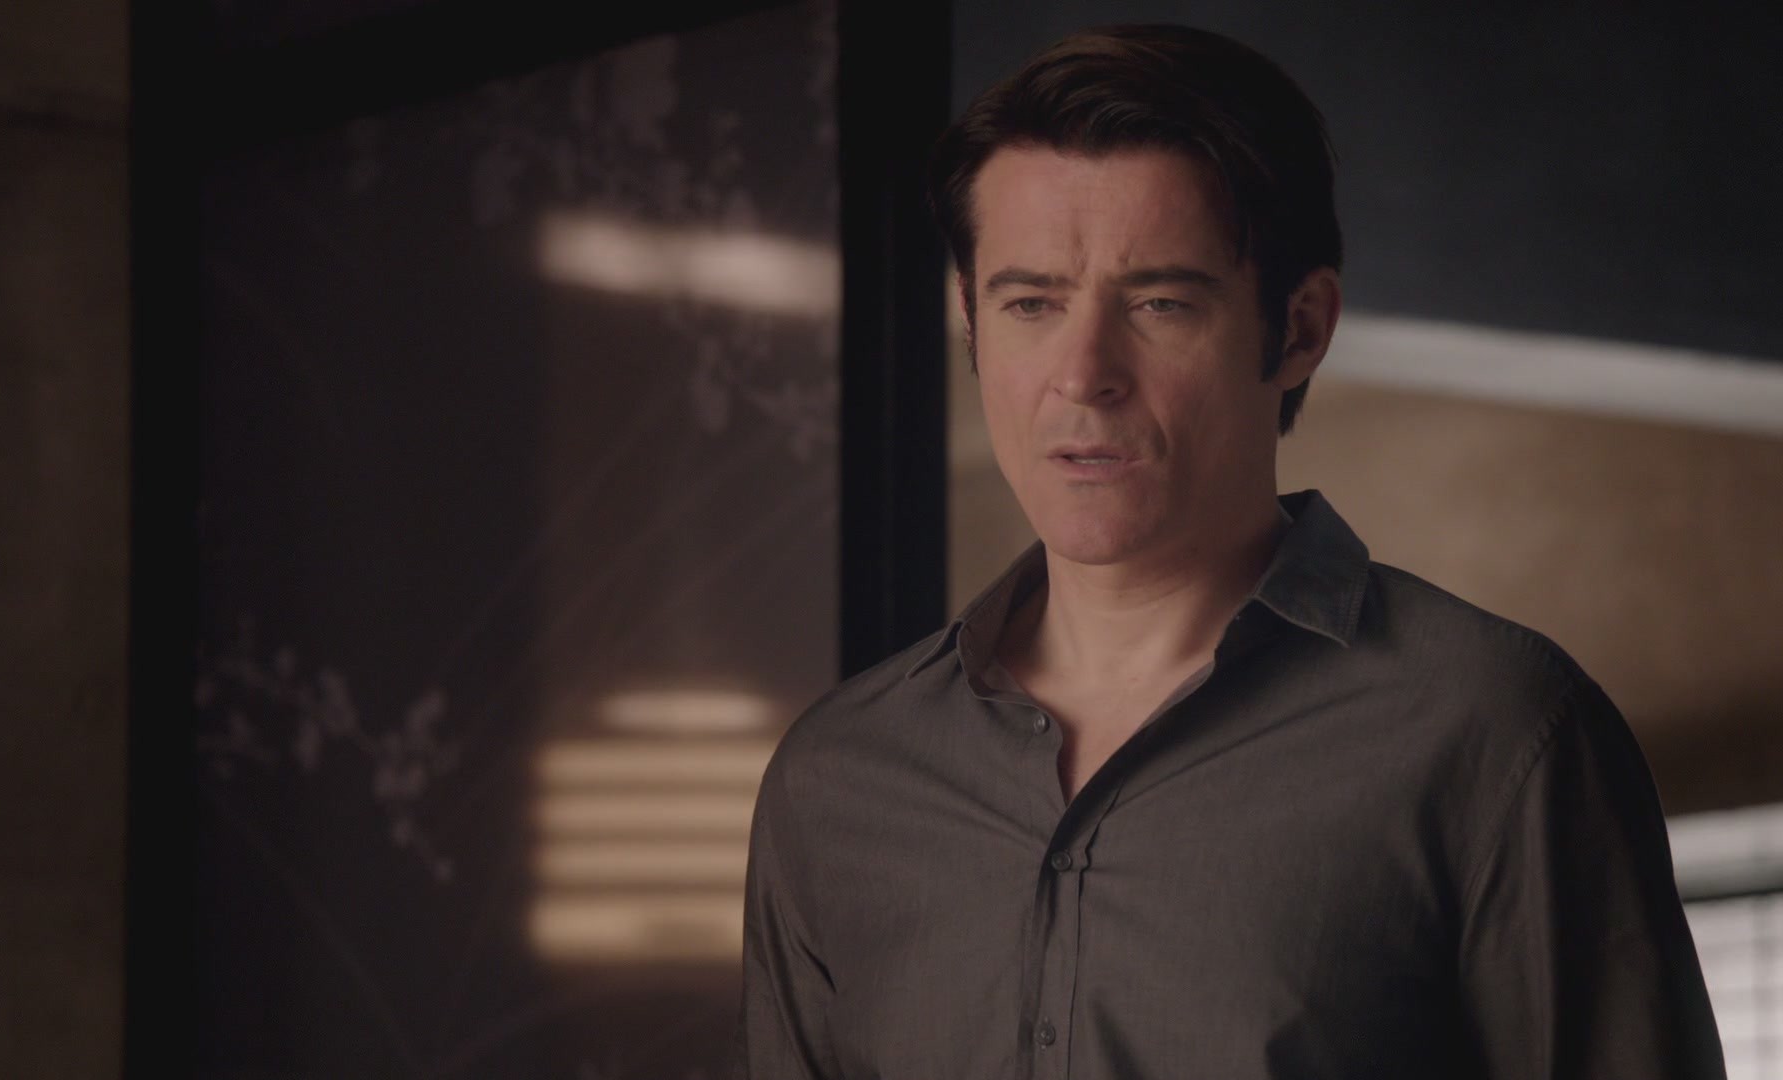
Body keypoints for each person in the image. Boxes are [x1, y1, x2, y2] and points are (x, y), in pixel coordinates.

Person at [730, 23, 1725, 1080]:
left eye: (1159, 302)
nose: (1084, 374)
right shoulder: (839, 782)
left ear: (1299, 329)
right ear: (972, 324)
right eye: (1031, 304)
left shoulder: (1496, 734)